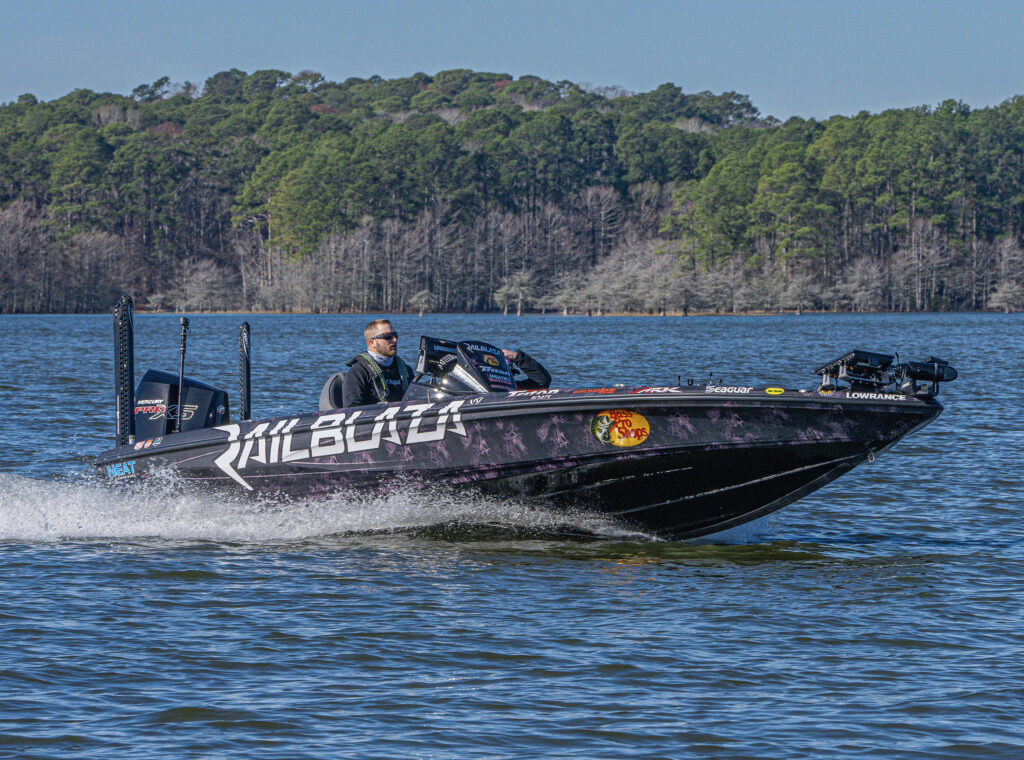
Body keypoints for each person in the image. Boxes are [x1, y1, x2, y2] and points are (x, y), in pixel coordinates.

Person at [341, 319, 415, 407]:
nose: (394, 340)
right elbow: (351, 409)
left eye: (395, 336)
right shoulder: (358, 372)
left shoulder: (406, 370)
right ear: (372, 343)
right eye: (388, 337)